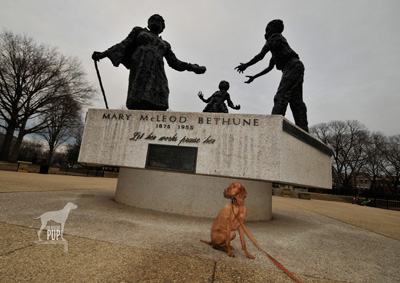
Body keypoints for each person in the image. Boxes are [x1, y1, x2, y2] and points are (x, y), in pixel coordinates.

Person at [92, 14, 206, 111]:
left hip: (158, 70)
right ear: (148, 24)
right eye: (152, 19)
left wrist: (193, 67)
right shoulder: (139, 31)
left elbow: (174, 62)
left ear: (162, 27)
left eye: (158, 20)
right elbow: (123, 44)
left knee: (161, 93)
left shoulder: (165, 44)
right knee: (139, 92)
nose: (154, 21)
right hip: (141, 65)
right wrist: (104, 54)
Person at [235, 19, 309, 132]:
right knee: (296, 101)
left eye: (267, 29)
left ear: (274, 29)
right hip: (295, 67)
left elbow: (260, 56)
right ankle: (303, 130)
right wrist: (254, 76)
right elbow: (269, 68)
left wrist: (246, 65)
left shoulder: (275, 37)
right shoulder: (278, 49)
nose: (266, 32)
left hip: (292, 66)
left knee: (281, 96)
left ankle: (273, 128)